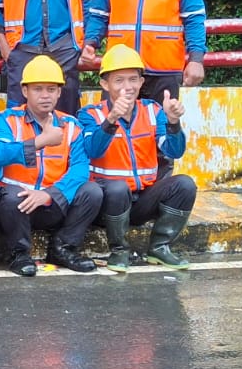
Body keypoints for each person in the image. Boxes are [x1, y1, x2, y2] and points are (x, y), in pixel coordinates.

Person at [80, 45, 197, 270]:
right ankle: (119, 250)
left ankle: (160, 248)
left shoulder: (152, 110)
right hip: (107, 203)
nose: (128, 87)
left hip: (142, 199)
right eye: (119, 80)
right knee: (117, 188)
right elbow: (92, 150)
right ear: (105, 84)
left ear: (142, 83)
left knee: (185, 185)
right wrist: (111, 119)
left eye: (133, 79)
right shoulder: (90, 114)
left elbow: (174, 151)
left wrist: (173, 122)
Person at [0, 54, 103, 276]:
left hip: (54, 203)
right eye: (37, 89)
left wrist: (49, 194)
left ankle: (63, 248)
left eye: (51, 89)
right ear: (24, 91)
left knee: (92, 191)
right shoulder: (7, 119)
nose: (45, 95)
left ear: (60, 92)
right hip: (17, 206)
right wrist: (40, 142)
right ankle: (19, 254)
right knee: (11, 196)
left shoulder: (71, 124)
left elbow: (80, 169)